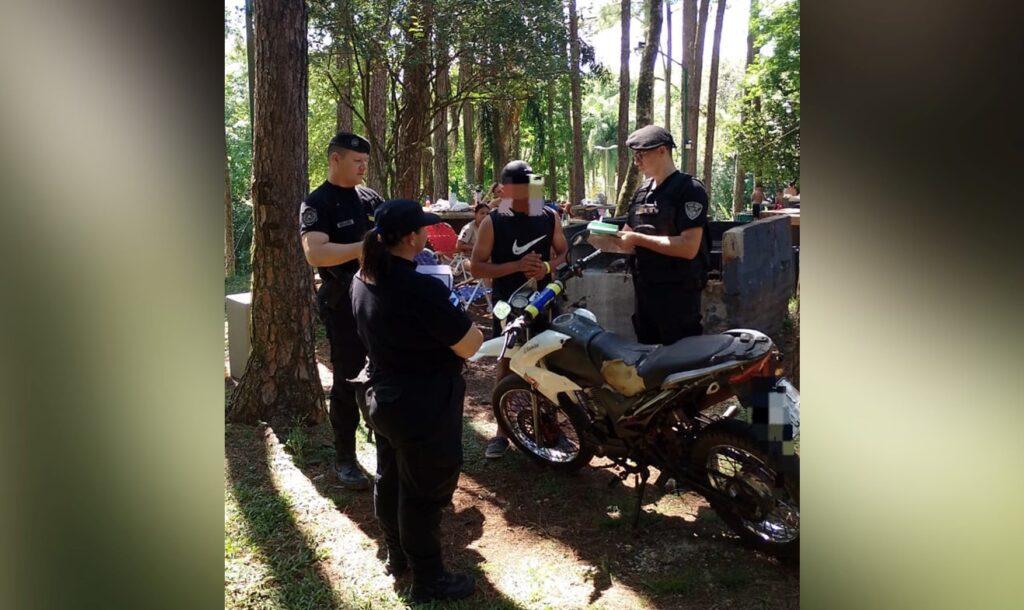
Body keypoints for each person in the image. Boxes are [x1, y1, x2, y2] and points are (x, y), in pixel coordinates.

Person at [351, 199, 483, 603]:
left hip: (383, 398)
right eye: (423, 230)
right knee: (422, 495)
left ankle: (396, 554)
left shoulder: (364, 276)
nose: (428, 234)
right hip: (421, 406)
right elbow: (470, 344)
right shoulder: (419, 287)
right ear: (410, 239)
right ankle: (428, 579)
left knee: (390, 478)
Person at [299, 131, 383, 490]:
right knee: (348, 379)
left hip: (380, 302)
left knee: (383, 376)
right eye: (356, 161)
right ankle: (345, 458)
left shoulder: (370, 198)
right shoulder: (317, 202)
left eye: (365, 161)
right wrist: (363, 248)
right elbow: (315, 253)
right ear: (335, 160)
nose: (363, 167)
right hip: (343, 304)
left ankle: (386, 450)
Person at [468, 160, 568, 459]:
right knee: (507, 362)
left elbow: (564, 252)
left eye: (534, 188)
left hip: (543, 301)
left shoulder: (548, 216)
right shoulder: (494, 221)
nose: (531, 196)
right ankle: (502, 431)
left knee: (547, 361)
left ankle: (549, 425)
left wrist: (547, 267)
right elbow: (475, 266)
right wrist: (517, 266)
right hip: (506, 304)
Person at [618, 125, 710, 345]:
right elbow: (628, 235)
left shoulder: (689, 189)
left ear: (662, 151)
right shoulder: (641, 193)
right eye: (635, 156)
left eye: (642, 155)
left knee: (679, 366)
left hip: (678, 299)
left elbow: (689, 247)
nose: (637, 161)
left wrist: (638, 240)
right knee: (647, 366)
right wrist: (608, 240)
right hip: (645, 295)